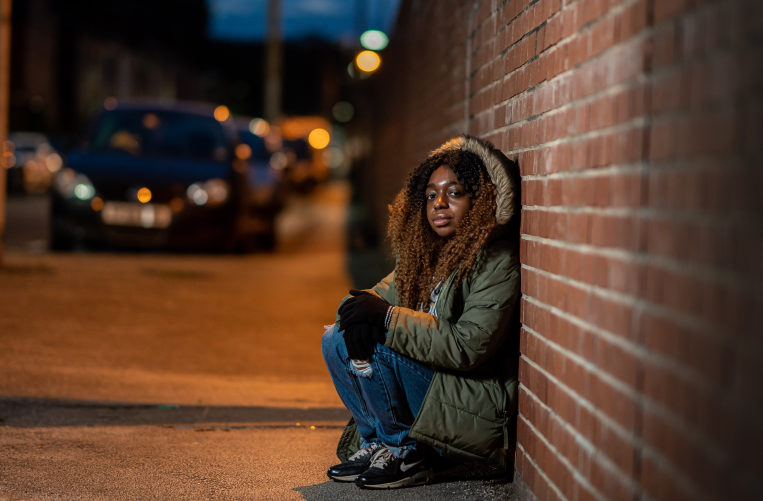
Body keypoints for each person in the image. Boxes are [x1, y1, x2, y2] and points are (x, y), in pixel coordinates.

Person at [321, 135, 521, 489]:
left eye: (454, 192)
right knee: (335, 338)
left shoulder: (495, 261)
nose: (439, 204)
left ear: (481, 199)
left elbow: (467, 346)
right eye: (431, 195)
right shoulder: (426, 257)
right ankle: (379, 443)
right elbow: (375, 296)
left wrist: (384, 318)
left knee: (381, 340)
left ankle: (404, 450)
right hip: (434, 389)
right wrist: (355, 314)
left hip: (475, 404)